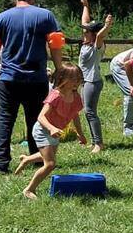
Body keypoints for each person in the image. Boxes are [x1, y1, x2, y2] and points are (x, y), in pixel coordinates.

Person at [0, 0, 65, 174]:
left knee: (4, 119)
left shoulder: (1, 18)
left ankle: (0, 165)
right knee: (36, 120)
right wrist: (59, 68)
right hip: (36, 78)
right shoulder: (46, 16)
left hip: (8, 78)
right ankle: (39, 158)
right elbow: (55, 46)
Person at [15, 64, 86, 199]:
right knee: (50, 164)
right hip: (43, 130)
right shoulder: (55, 96)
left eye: (79, 79)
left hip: (55, 132)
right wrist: (51, 128)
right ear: (62, 79)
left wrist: (80, 133)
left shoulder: (76, 97)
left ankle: (26, 159)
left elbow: (75, 115)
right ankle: (29, 190)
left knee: (48, 156)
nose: (77, 82)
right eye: (74, 79)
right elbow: (41, 117)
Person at [78, 0, 113, 153]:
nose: (85, 32)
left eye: (88, 31)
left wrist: (107, 26)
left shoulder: (97, 46)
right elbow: (85, 22)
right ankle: (95, 142)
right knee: (87, 111)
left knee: (90, 111)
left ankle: (99, 144)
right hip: (85, 82)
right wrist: (86, 6)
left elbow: (100, 35)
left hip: (92, 82)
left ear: (93, 34)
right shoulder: (87, 42)